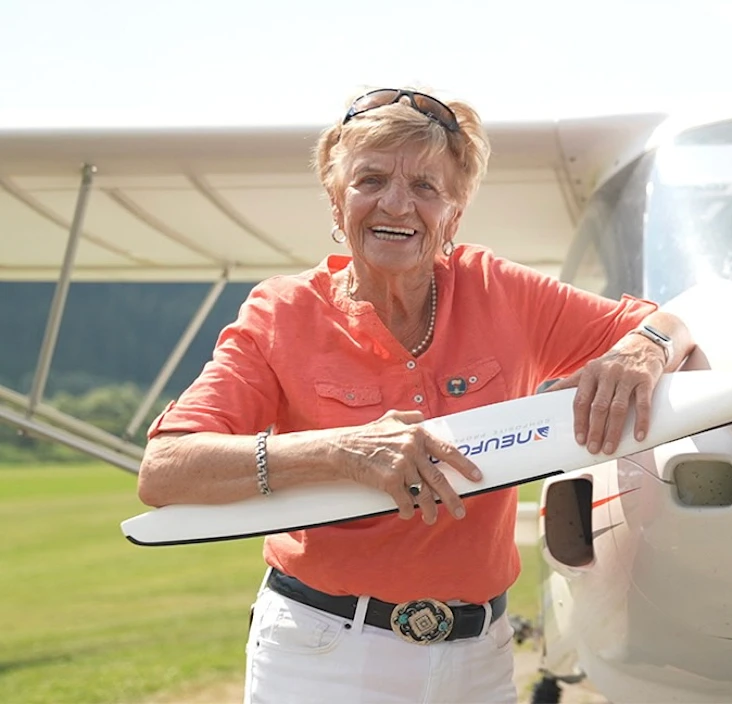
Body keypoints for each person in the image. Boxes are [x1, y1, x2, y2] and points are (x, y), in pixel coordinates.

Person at [136, 85, 693, 704]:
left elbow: (671, 320)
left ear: (453, 215)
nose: (396, 205)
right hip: (324, 654)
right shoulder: (282, 312)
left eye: (426, 188)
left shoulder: (498, 289)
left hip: (479, 657)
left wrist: (645, 347)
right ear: (335, 196)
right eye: (370, 179)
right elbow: (165, 470)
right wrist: (340, 450)